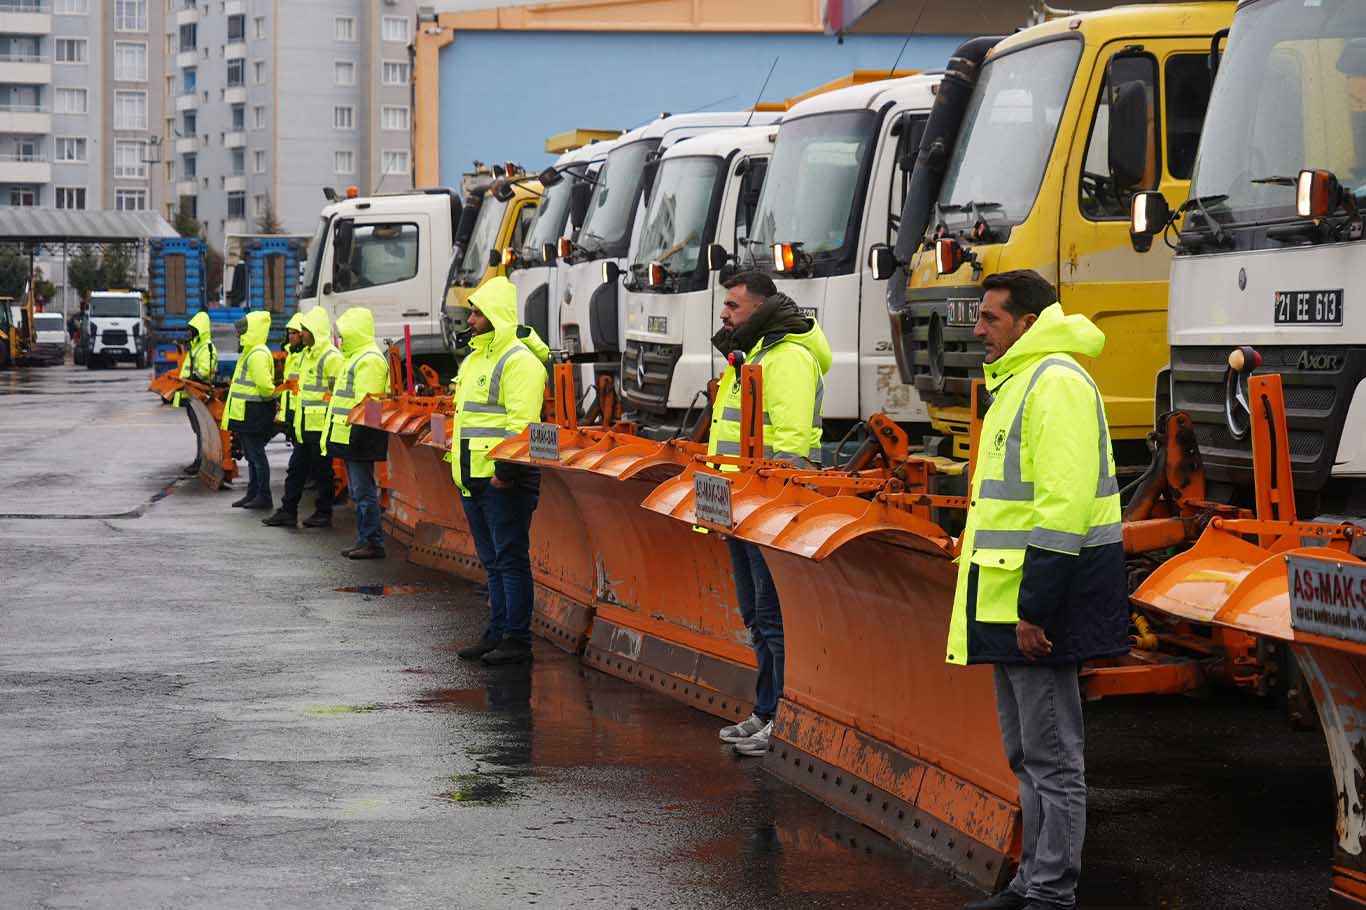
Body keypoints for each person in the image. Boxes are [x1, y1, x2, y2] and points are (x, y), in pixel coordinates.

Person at [950, 270, 1127, 910]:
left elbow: (1062, 508)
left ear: (1026, 322)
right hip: (1013, 605)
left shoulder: (1055, 384)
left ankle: (1051, 893)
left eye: (990, 317)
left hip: (1037, 609)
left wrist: (1034, 609)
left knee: (1053, 761)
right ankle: (1032, 883)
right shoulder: (1024, 382)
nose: (977, 328)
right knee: (1028, 756)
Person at [709, 271, 831, 758]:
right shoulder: (756, 355)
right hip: (740, 501)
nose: (724, 314)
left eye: (733, 307)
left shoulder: (788, 358)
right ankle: (764, 709)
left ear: (760, 308)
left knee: (774, 619)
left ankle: (780, 715)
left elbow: (791, 447)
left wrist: (767, 504)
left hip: (766, 505)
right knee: (757, 616)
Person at [450, 276, 549, 667]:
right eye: (472, 312)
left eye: (477, 313)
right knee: (493, 562)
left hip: (502, 480)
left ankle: (516, 639)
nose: (470, 320)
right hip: (475, 477)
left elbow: (521, 426)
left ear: (496, 316)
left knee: (509, 561)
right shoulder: (477, 358)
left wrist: (504, 473)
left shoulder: (519, 361)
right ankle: (497, 632)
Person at [322, 306, 390, 559]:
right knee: (359, 491)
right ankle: (366, 539)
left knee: (363, 491)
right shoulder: (357, 357)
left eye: (343, 332)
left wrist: (356, 435)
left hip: (359, 435)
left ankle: (372, 541)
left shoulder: (368, 359)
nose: (340, 337)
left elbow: (366, 403)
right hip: (352, 434)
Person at [264, 307, 340, 529]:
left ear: (315, 331)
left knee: (322, 472)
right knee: (296, 470)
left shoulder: (331, 357)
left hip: (320, 426)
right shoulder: (306, 355)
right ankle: (288, 510)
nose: (301, 333)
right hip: (305, 425)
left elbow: (336, 394)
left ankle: (323, 513)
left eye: (305, 330)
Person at [219, 311, 277, 510]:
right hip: (249, 412)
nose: (237, 335)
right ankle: (253, 494)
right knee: (253, 456)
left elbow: (265, 386)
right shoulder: (252, 352)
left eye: (241, 331)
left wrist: (270, 399)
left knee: (257, 456)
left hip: (253, 412)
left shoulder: (257, 354)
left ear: (250, 332)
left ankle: (263, 495)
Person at [174, 310, 218, 477]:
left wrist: (193, 378)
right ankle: (200, 459)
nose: (189, 333)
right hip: (191, 395)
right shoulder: (196, 347)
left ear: (199, 330)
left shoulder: (206, 348)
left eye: (192, 330)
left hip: (198, 395)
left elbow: (205, 371)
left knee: (201, 431)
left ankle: (200, 461)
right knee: (198, 431)